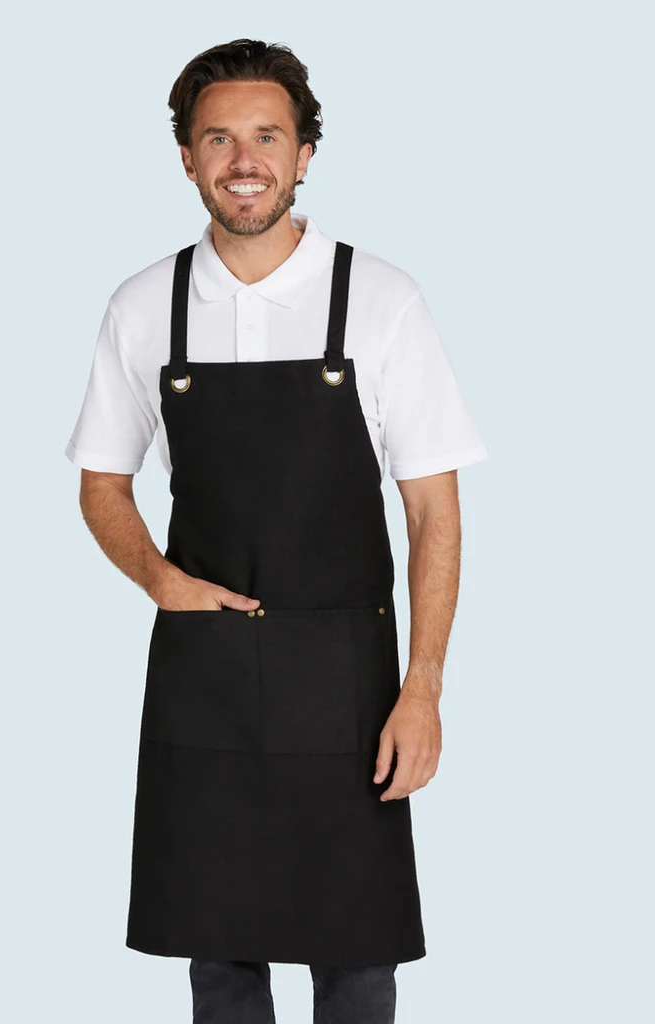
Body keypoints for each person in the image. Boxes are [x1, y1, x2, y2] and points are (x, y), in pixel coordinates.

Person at [64, 37, 488, 1024]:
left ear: (304, 155)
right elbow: (101, 484)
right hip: (205, 681)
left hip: (349, 688)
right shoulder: (143, 306)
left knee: (356, 962)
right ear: (187, 158)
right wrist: (157, 578)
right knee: (220, 961)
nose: (243, 159)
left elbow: (434, 511)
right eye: (219, 138)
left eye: (267, 136)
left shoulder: (381, 299)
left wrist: (423, 687)